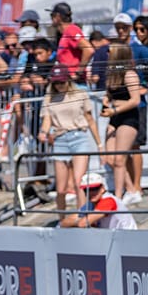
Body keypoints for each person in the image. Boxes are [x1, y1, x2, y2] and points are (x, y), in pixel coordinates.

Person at [38, 65, 102, 213]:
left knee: (79, 182)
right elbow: (47, 120)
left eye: (62, 82)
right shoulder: (49, 97)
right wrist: (43, 132)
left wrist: (99, 144)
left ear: (68, 80)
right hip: (60, 139)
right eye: (56, 83)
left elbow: (90, 119)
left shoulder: (80, 93)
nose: (59, 86)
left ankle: (82, 216)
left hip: (79, 136)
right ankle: (62, 219)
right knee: (61, 189)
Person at [100, 43, 144, 206]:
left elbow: (135, 100)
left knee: (120, 159)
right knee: (111, 158)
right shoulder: (112, 74)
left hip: (127, 118)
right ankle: (131, 190)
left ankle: (118, 196)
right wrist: (106, 101)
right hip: (114, 117)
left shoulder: (129, 75)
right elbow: (109, 95)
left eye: (110, 53)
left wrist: (115, 110)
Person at [60, 172, 136, 229]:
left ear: (102, 188)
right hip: (113, 238)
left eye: (95, 188)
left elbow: (82, 224)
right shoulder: (90, 204)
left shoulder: (109, 200)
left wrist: (80, 221)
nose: (91, 192)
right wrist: (81, 220)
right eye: (87, 190)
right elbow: (64, 223)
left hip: (127, 238)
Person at [48, 2, 92, 82]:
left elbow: (89, 50)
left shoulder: (71, 30)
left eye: (52, 15)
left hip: (75, 83)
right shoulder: (65, 34)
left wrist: (79, 72)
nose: (51, 18)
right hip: (67, 83)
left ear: (58, 16)